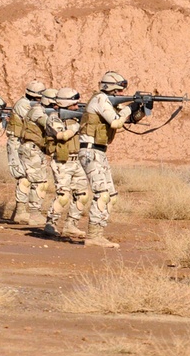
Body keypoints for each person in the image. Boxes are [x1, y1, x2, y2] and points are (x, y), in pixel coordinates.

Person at [79, 71, 144, 248]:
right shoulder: (100, 100)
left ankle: (99, 233)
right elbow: (115, 122)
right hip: (90, 151)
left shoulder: (109, 103)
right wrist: (131, 106)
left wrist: (142, 109)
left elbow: (127, 120)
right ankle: (93, 236)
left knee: (111, 196)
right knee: (102, 193)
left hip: (99, 152)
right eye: (120, 91)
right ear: (113, 89)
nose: (123, 94)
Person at [43, 87, 89, 238]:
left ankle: (71, 225)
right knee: (63, 195)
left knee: (82, 195)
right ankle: (51, 224)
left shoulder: (74, 118)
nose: (77, 107)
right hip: (62, 161)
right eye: (74, 105)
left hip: (77, 161)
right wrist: (78, 124)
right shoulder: (54, 118)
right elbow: (62, 135)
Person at [9, 80, 47, 224]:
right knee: (23, 177)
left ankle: (20, 211)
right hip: (17, 142)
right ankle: (21, 212)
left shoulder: (27, 104)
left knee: (26, 177)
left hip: (23, 142)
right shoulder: (24, 105)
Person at [17, 88, 54, 226]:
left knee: (29, 180)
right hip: (32, 149)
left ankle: (21, 212)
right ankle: (34, 213)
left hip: (34, 149)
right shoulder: (38, 111)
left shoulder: (38, 109)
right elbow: (49, 124)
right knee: (39, 182)